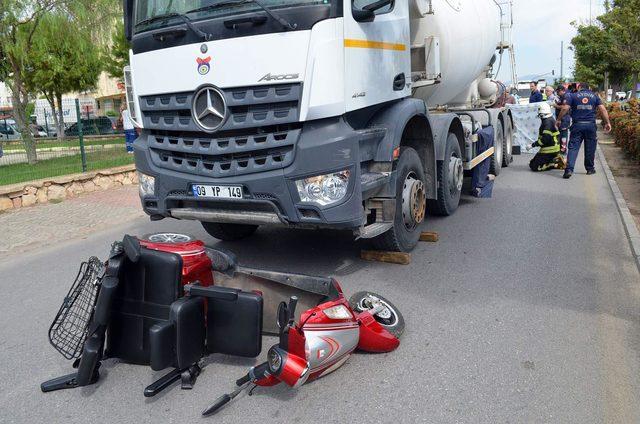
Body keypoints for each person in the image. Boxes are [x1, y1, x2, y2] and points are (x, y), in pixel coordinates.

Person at [556, 82, 612, 179]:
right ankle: (590, 169)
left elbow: (565, 108)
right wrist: (607, 122)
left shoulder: (573, 96)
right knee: (590, 148)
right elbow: (602, 109)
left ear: (579, 87)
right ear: (589, 88)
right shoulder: (594, 96)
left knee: (573, 148)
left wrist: (559, 119)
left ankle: (569, 170)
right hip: (590, 126)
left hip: (577, 125)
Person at [527, 102, 566, 172]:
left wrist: (532, 145)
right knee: (532, 163)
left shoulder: (547, 123)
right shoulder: (550, 120)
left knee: (535, 167)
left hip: (549, 150)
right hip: (551, 148)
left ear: (542, 114)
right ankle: (555, 162)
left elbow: (545, 139)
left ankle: (554, 162)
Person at [554, 86, 571, 154]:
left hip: (564, 119)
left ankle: (563, 150)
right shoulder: (561, 97)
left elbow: (565, 107)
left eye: (558, 91)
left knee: (564, 135)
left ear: (562, 90)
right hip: (561, 118)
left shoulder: (566, 96)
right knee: (560, 135)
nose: (557, 93)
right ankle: (560, 150)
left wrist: (556, 106)